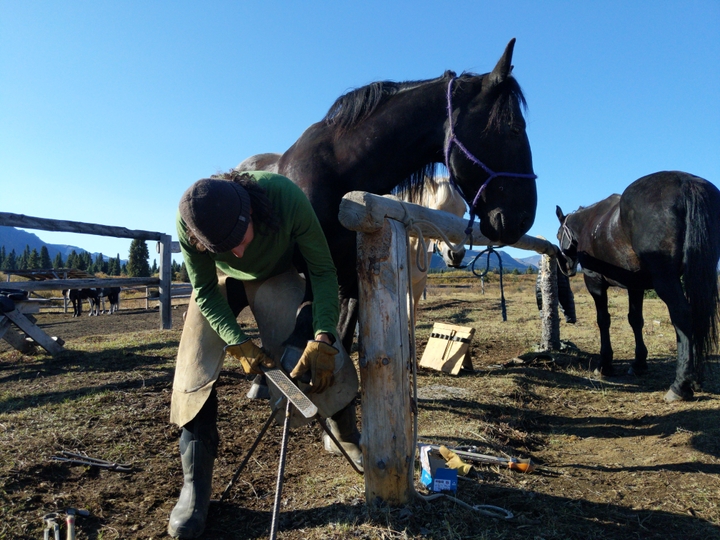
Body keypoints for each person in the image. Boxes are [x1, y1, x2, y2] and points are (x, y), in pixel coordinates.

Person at [168, 170, 361, 539]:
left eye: (239, 239)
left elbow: (321, 271)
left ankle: (346, 433)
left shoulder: (285, 198)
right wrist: (236, 340)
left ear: (252, 212)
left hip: (276, 276)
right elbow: (206, 290)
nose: (238, 252)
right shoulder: (188, 222)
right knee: (192, 368)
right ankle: (195, 488)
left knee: (319, 358)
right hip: (220, 284)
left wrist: (323, 335)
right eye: (223, 246)